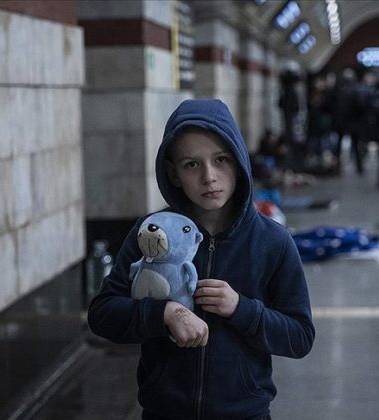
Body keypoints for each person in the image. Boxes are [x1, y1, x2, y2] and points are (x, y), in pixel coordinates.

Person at [88, 98, 315, 420]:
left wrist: (241, 308)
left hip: (244, 413)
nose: (209, 176)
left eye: (220, 160)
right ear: (174, 173)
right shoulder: (151, 234)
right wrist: (165, 313)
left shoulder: (272, 241)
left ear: (238, 162)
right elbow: (103, 313)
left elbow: (300, 336)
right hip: (164, 412)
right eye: (191, 164)